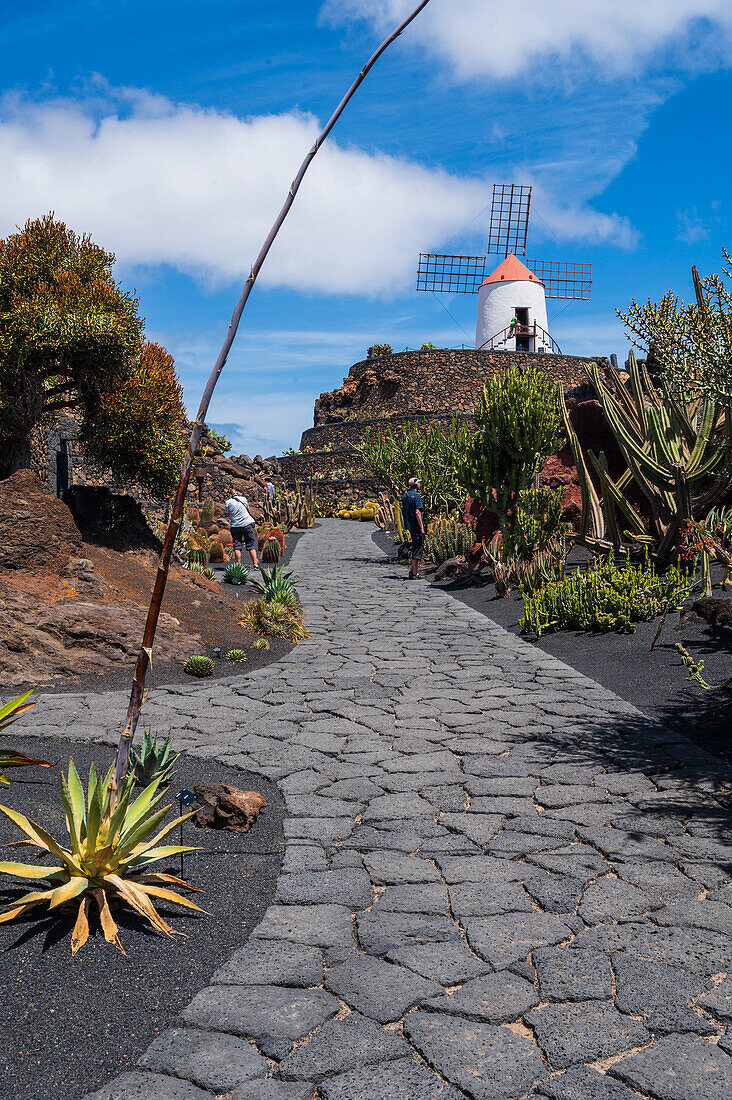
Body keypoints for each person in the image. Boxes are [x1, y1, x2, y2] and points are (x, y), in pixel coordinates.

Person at [224, 493, 259, 569]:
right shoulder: (243, 499)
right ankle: (255, 564)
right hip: (247, 524)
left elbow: (226, 514)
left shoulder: (228, 502)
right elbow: (247, 509)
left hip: (235, 526)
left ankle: (238, 565)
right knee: (251, 545)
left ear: (231, 495)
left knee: (237, 546)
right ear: (238, 495)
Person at [401, 476, 425, 580]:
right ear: (416, 485)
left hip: (409, 525)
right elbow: (417, 512)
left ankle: (412, 571)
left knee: (415, 545)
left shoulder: (405, 496)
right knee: (418, 547)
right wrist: (422, 528)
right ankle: (415, 573)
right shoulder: (417, 496)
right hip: (416, 525)